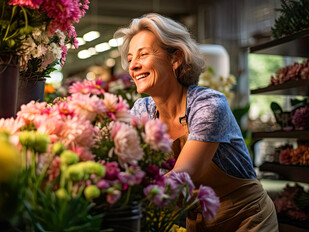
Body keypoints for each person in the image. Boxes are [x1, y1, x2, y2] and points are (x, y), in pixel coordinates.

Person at [114, 13, 278, 232]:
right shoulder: (141, 111)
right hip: (198, 223)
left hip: (246, 219)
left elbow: (183, 174)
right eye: (131, 58)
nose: (132, 66)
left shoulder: (209, 105)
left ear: (176, 58)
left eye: (142, 55)